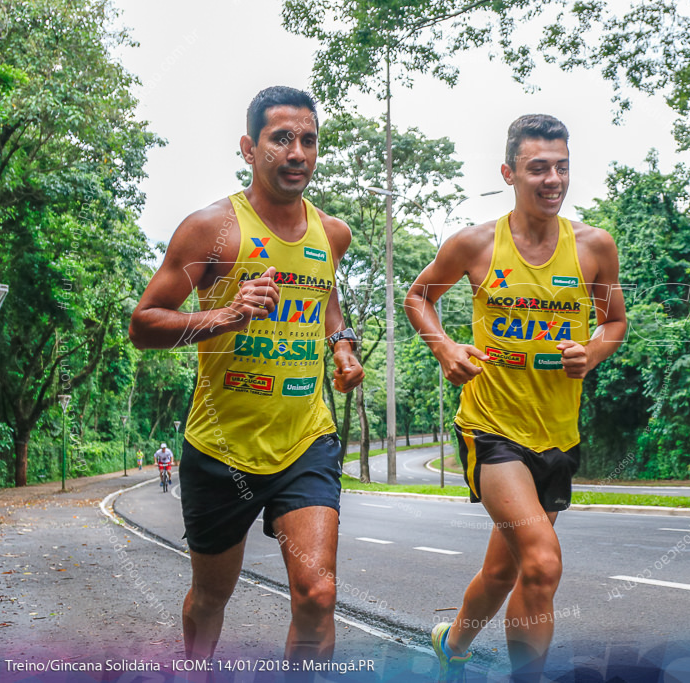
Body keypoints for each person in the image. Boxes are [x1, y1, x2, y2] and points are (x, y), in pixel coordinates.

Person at [128, 86, 364, 668]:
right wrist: (227, 314)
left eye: (308, 140)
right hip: (221, 446)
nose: (297, 152)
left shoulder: (331, 234)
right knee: (212, 597)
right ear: (248, 147)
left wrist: (341, 344)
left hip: (305, 438)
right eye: (281, 138)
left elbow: (324, 292)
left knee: (318, 593)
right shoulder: (212, 230)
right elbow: (144, 323)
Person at [405, 114, 627, 682]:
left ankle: (451, 643)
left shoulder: (594, 247)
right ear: (509, 173)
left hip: (557, 434)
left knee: (507, 572)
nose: (552, 179)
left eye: (562, 167)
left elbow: (615, 323)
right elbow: (418, 298)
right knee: (543, 562)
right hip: (492, 428)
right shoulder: (476, 244)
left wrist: (594, 352)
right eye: (538, 168)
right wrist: (445, 347)